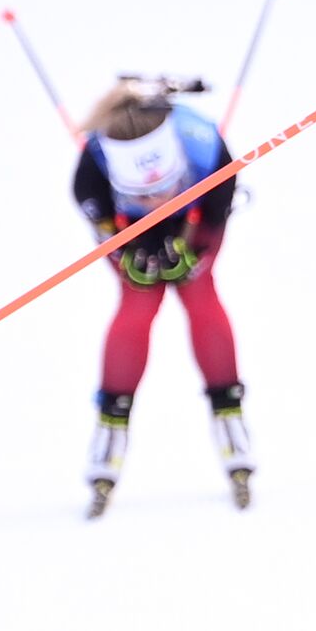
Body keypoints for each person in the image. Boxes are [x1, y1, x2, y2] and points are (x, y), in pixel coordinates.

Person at [74, 78, 255, 518]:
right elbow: (101, 223)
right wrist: (124, 253)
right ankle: (110, 428)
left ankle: (229, 416)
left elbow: (215, 219)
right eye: (141, 194)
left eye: (163, 187)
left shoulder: (206, 150)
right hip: (127, 225)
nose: (154, 201)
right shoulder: (93, 172)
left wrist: (196, 253)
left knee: (200, 294)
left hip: (197, 210)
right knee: (138, 303)